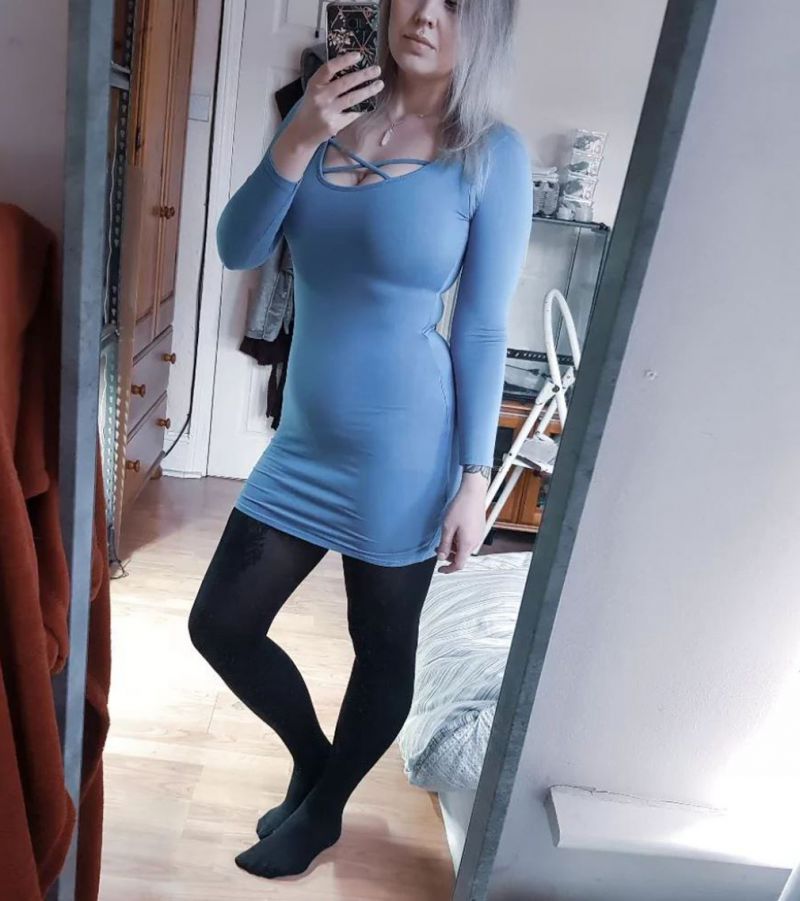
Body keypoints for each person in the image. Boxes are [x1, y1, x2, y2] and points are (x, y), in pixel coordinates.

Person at [188, 0, 531, 880]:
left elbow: (481, 328)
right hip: (302, 443)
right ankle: (315, 761)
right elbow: (238, 247)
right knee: (220, 623)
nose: (426, 13)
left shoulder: (489, 154)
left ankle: (325, 807)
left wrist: (475, 476)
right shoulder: (322, 115)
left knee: (381, 646)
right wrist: (299, 135)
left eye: (456, 3)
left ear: (485, 28)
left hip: (403, 454)